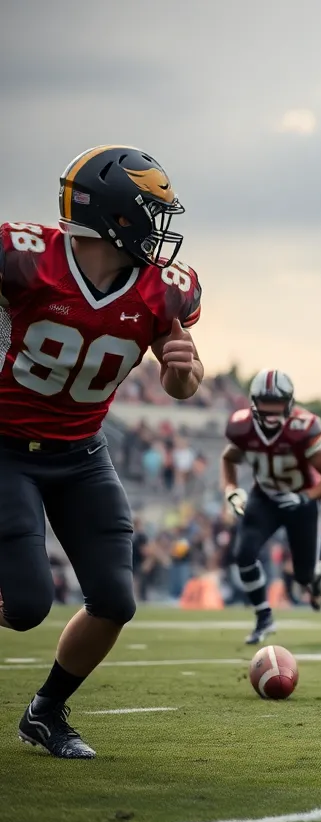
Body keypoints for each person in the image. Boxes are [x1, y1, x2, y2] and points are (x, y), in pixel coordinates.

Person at [1, 145, 204, 758]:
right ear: (121, 215)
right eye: (154, 211)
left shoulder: (163, 291)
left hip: (81, 453)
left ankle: (46, 712)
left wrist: (183, 370)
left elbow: (183, 385)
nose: (163, 229)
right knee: (29, 604)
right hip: (7, 447)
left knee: (115, 600)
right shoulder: (25, 259)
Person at [221, 370, 321, 645]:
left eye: (277, 402)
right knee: (243, 554)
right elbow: (228, 459)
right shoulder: (242, 427)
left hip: (301, 500)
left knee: (303, 575)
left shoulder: (303, 428)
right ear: (254, 402)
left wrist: (305, 498)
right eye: (266, 403)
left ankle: (316, 575)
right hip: (264, 497)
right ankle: (264, 617)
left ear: (289, 402)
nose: (271, 410)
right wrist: (231, 491)